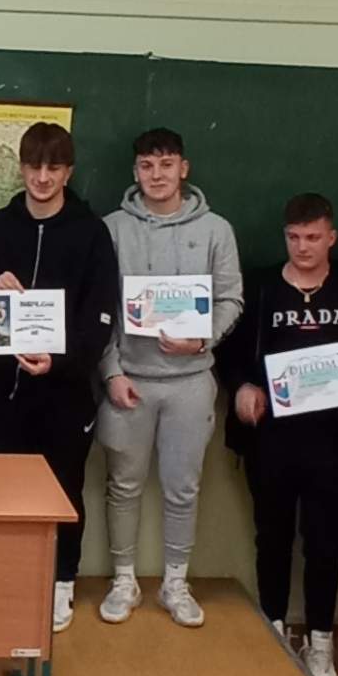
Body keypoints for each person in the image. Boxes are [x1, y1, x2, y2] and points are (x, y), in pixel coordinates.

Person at [215, 193, 338, 676]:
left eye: (313, 237)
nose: (303, 247)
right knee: (272, 538)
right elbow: (230, 353)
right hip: (271, 438)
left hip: (330, 441)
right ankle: (275, 629)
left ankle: (321, 640)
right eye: (294, 237)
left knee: (325, 545)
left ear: (331, 238)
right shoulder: (261, 286)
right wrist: (241, 387)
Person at [0, 121, 120, 633]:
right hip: (3, 392)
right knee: (0, 492)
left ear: (68, 172)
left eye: (53, 168)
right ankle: (6, 579)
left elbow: (99, 318)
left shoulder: (91, 232)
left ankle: (61, 583)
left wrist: (59, 362)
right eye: (34, 166)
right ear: (21, 168)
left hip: (66, 393)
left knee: (63, 491)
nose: (42, 177)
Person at [95, 128, 243, 629]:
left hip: (190, 382)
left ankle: (175, 582)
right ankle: (124, 580)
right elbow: (100, 308)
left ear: (184, 168)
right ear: (135, 171)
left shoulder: (216, 230)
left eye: (166, 164)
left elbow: (231, 299)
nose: (156, 175)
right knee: (123, 485)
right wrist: (111, 371)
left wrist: (202, 341)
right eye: (146, 166)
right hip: (129, 381)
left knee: (183, 488)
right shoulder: (112, 229)